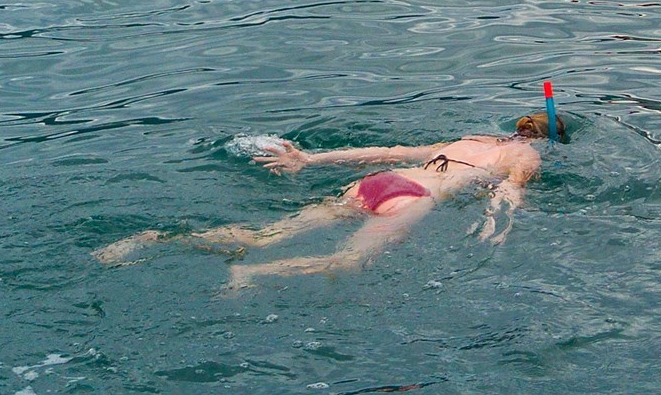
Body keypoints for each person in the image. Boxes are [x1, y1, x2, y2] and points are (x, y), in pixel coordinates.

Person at [94, 118, 548, 287]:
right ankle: (251, 274)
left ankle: (150, 239)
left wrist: (311, 159)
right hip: (411, 198)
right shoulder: (525, 155)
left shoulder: (467, 139)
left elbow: (383, 153)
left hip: (374, 184)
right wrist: (498, 225)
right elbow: (510, 192)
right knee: (345, 262)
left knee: (261, 235)